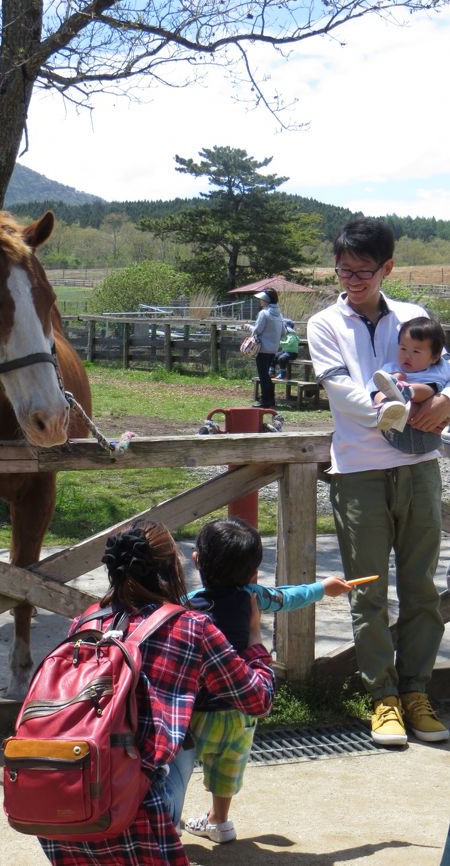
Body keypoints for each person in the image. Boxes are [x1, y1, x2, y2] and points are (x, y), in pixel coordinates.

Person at [38, 518, 275, 866]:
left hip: (63, 810)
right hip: (139, 818)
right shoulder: (191, 626)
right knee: (177, 730)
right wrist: (254, 641)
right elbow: (258, 701)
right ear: (175, 567)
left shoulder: (86, 622)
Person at [307, 216, 450, 747]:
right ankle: (382, 698)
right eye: (344, 270)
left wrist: (445, 400)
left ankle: (416, 692)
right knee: (367, 591)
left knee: (421, 589)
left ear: (387, 267)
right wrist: (383, 408)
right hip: (358, 471)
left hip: (418, 468)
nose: (352, 280)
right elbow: (337, 387)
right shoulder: (324, 323)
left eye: (363, 271)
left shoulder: (415, 316)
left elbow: (446, 368)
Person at [181, 517, 351, 845]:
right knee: (228, 764)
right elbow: (288, 597)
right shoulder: (254, 597)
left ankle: (168, 817)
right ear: (253, 573)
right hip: (243, 706)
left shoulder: (186, 604)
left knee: (180, 766)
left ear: (197, 560)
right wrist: (322, 589)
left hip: (195, 711)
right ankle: (220, 820)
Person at [368, 316, 450, 454]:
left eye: (416, 351)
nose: (407, 356)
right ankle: (390, 404)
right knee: (383, 389)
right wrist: (381, 398)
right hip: (399, 434)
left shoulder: (440, 368)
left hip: (429, 435)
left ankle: (406, 391)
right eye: (403, 348)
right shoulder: (392, 367)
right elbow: (373, 386)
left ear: (434, 357)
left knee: (431, 388)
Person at [249, 288, 285, 408]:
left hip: (262, 349)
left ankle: (265, 401)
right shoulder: (279, 314)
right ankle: (271, 400)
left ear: (266, 300)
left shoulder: (264, 313)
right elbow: (284, 332)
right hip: (273, 349)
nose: (260, 301)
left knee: (263, 376)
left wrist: (248, 327)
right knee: (266, 376)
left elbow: (257, 330)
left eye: (262, 299)